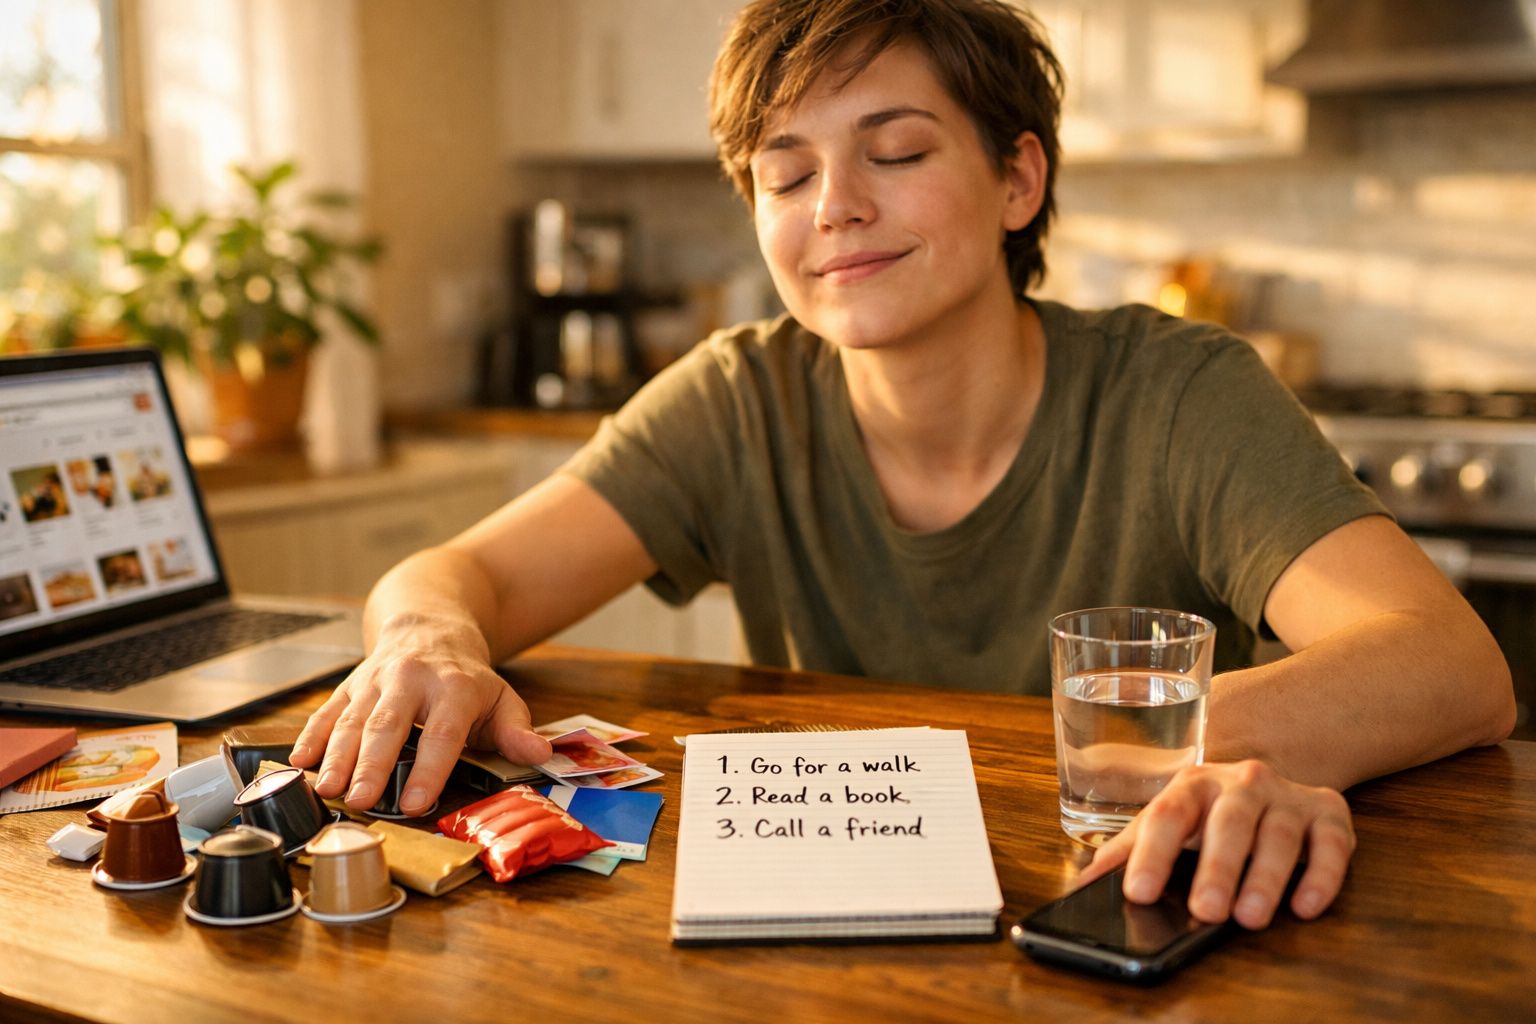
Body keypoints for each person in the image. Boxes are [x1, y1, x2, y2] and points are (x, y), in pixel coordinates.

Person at [292, 0, 1514, 930]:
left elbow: (1454, 665)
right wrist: (426, 640)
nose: (834, 206)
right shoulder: (739, 397)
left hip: (1123, 915)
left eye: (897, 149)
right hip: (832, 939)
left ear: (1017, 179)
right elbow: (456, 576)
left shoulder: (1181, 393)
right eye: (786, 171)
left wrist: (1217, 753)